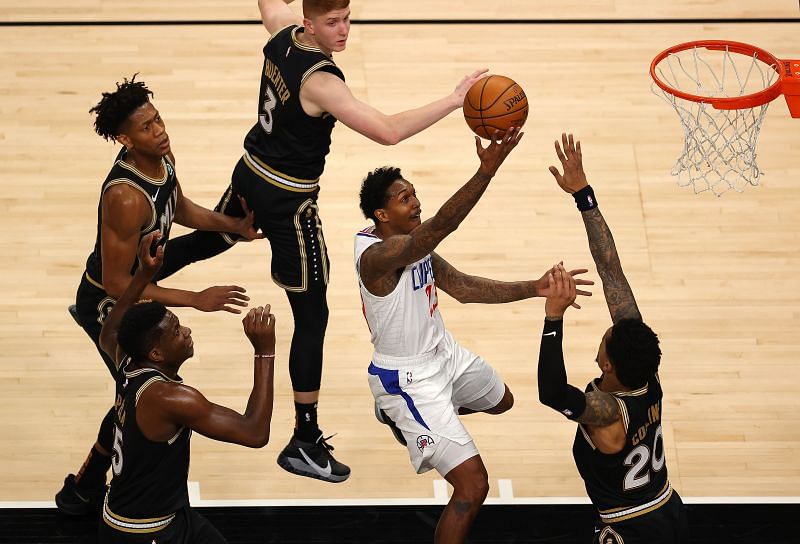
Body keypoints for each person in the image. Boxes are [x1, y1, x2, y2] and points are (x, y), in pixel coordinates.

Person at [159, 0, 489, 483]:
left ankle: (123, 277)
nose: (343, 30)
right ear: (310, 23)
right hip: (289, 202)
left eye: (347, 19)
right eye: (332, 23)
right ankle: (304, 440)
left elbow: (270, 5)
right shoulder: (322, 81)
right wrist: (456, 99)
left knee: (213, 238)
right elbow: (388, 132)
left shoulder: (283, 33)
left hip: (251, 170)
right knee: (312, 314)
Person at [355, 128, 592, 544]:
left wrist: (532, 288)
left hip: (443, 354)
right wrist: (485, 172)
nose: (416, 202)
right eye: (404, 198)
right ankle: (405, 414)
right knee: (473, 486)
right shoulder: (379, 258)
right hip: (407, 379)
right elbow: (441, 226)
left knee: (502, 401)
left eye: (414, 193)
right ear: (381, 215)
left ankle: (414, 423)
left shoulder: (413, 245)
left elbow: (462, 287)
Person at [56, 75, 263, 515]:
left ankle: (86, 485)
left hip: (145, 266)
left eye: (158, 119)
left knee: (209, 239)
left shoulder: (161, 158)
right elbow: (117, 283)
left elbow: (181, 208)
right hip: (115, 298)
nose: (160, 130)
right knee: (133, 392)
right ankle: (89, 485)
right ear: (124, 139)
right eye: (147, 127)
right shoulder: (126, 199)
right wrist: (196, 299)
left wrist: (235, 227)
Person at [537, 134, 688, 543]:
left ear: (607, 364)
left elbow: (551, 392)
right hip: (667, 507)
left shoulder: (606, 409)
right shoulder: (642, 367)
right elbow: (611, 270)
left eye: (606, 340)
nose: (609, 330)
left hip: (632, 527)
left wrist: (554, 318)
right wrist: (583, 195)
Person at [95, 232, 276, 544]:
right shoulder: (170, 398)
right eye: (177, 331)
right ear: (156, 354)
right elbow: (255, 432)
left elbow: (113, 325)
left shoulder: (126, 359)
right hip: (146, 532)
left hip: (163, 515)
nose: (187, 331)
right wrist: (264, 352)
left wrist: (145, 274)